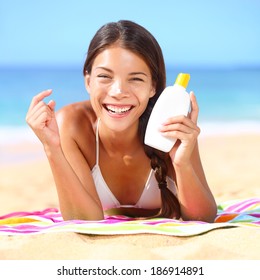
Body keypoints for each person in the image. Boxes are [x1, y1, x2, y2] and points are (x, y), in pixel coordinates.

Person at [26, 20, 217, 222]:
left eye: (135, 79)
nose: (118, 92)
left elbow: (203, 218)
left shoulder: (172, 123)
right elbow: (84, 221)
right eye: (105, 77)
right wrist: (51, 149)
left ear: (153, 86)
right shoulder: (72, 124)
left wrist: (182, 163)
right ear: (88, 81)